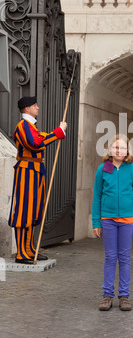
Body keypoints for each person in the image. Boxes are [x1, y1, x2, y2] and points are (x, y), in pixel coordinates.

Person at [8, 96, 67, 264]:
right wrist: (58, 132)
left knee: (33, 211)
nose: (38, 108)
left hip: (35, 171)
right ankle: (21, 253)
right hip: (26, 171)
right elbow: (35, 143)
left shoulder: (30, 126)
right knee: (24, 212)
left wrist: (58, 133)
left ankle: (29, 249)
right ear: (27, 109)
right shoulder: (23, 126)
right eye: (35, 105)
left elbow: (42, 137)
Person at [92, 134, 133, 312]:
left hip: (127, 220)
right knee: (109, 256)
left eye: (122, 148)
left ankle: (124, 295)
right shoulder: (102, 169)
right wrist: (96, 221)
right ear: (109, 149)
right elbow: (97, 196)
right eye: (115, 147)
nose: (119, 151)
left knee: (124, 257)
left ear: (127, 151)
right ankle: (107, 295)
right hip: (107, 219)